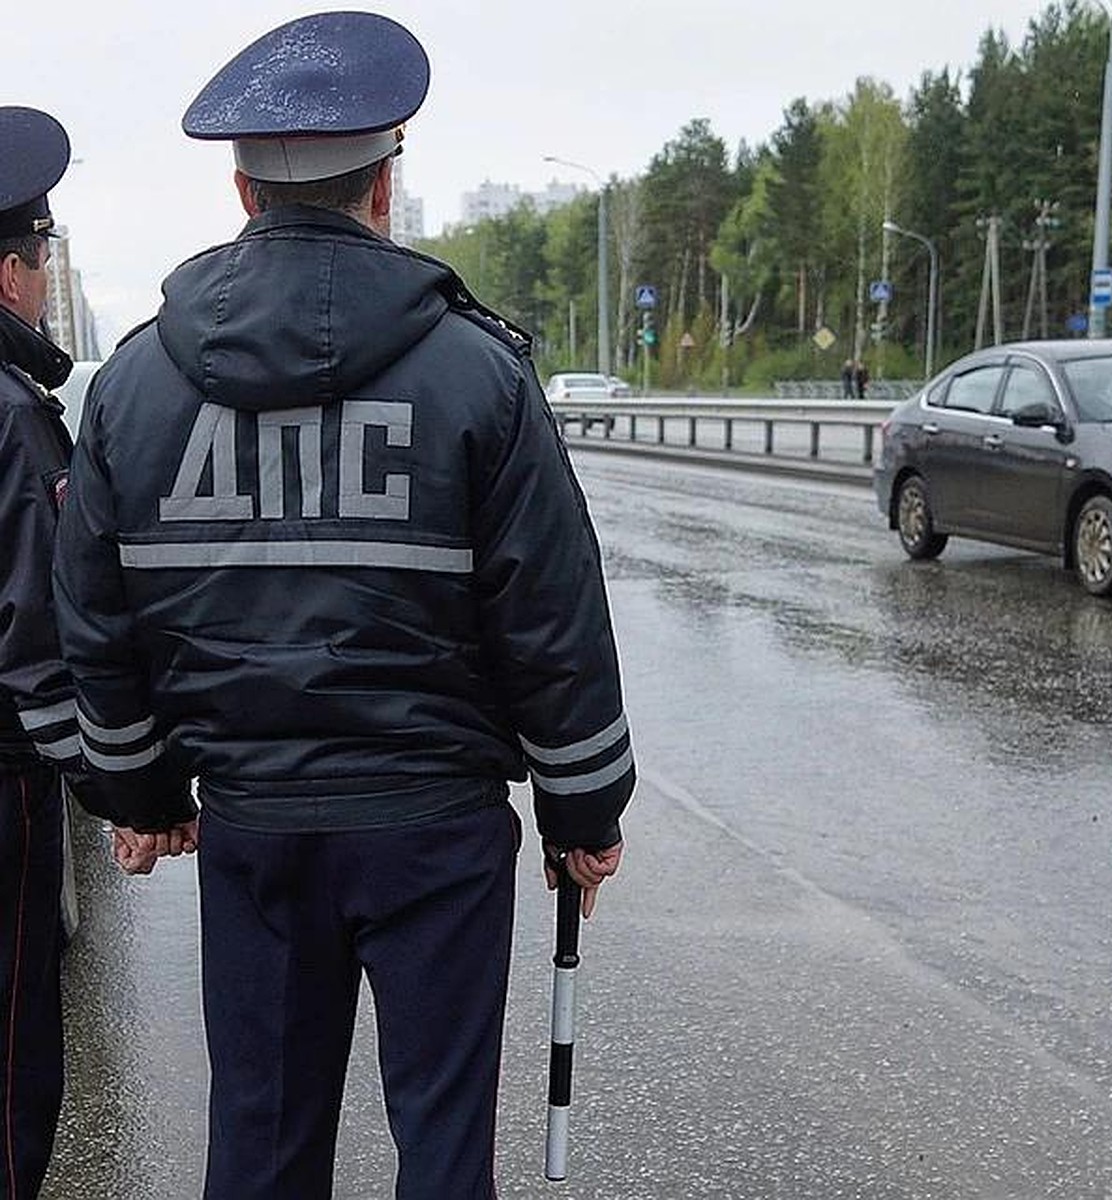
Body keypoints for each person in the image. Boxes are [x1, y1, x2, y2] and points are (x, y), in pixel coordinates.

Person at [53, 12, 635, 1200]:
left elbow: (97, 619)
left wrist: (145, 791)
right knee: (440, 1144)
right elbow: (551, 613)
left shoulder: (136, 387)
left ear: (241, 190)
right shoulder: (481, 370)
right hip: (436, 833)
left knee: (259, 1147)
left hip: (256, 829)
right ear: (386, 185)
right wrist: (584, 805)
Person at [0, 105, 80, 1200]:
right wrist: (115, 776)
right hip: (2, 781)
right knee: (14, 1054)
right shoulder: (16, 419)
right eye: (44, 255)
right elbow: (36, 629)